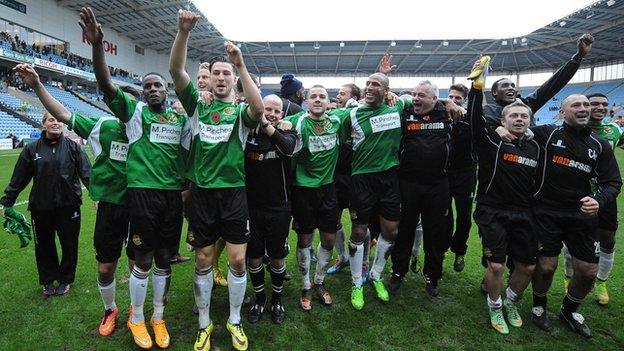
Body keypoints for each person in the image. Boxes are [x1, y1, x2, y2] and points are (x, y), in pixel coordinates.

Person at [81, 7, 189, 349]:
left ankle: (158, 316)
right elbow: (105, 83)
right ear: (141, 93)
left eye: (158, 85)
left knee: (163, 259)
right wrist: (97, 46)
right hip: (142, 195)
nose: (152, 89)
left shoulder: (181, 120)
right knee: (141, 259)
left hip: (172, 196)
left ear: (167, 91)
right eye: (147, 86)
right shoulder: (134, 114)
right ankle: (136, 317)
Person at [12, 62, 137, 337]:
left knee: (137, 262)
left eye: (133, 102)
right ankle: (110, 309)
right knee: (106, 267)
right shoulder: (101, 126)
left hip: (141, 204)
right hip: (110, 206)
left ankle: (136, 312)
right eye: (122, 101)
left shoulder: (148, 129)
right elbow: (63, 112)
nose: (128, 106)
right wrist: (36, 86)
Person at [170, 10, 263, 351]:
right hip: (203, 195)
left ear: (233, 81)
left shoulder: (239, 113)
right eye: (216, 73)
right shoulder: (197, 107)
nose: (221, 77)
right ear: (207, 81)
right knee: (204, 259)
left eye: (227, 74)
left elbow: (258, 108)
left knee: (237, 260)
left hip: (234, 194)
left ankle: (234, 320)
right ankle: (204, 323)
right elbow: (176, 71)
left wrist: (240, 64)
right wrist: (183, 32)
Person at [514, 94, 621, 338]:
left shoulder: (600, 145)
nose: (584, 108)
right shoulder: (547, 134)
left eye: (586, 105)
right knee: (547, 266)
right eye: (576, 105)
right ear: (563, 113)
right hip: (545, 211)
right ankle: (539, 307)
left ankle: (569, 311)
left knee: (587, 271)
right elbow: (517, 125)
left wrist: (599, 200)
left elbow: (613, 182)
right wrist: (501, 128)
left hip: (581, 215)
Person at [467, 63, 541, 334]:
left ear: (530, 121)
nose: (519, 119)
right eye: (514, 116)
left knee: (528, 265)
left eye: (524, 116)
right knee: (496, 264)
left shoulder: (536, 146)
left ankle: (511, 302)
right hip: (492, 210)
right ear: (503, 121)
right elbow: (474, 119)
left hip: (524, 212)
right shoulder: (490, 142)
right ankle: (495, 307)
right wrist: (477, 88)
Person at [0, 110, 90, 297]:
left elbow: (87, 175)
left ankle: (65, 280)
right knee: (44, 246)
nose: (55, 123)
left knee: (69, 245)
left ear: (63, 124)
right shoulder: (31, 149)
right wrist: (7, 201)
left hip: (69, 206)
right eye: (51, 120)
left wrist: (99, 196)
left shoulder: (74, 148)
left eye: (58, 120)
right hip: (41, 208)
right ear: (44, 124)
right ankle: (48, 281)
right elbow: (19, 178)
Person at [389, 80, 454, 297]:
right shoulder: (405, 113)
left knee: (435, 232)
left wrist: (452, 103)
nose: (416, 98)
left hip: (438, 184)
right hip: (407, 183)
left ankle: (432, 275)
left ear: (434, 99)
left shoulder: (448, 114)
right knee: (404, 230)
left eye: (422, 95)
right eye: (415, 94)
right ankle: (398, 272)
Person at [562, 93, 624, 306]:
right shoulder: (572, 128)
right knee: (572, 237)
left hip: (605, 194)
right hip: (577, 193)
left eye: (604, 104)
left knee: (608, 238)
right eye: (594, 103)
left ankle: (601, 283)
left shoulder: (614, 130)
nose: (599, 107)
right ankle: (568, 278)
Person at [285, 85, 344, 311]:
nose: (318, 100)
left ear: (328, 102)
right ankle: (305, 285)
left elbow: (367, 106)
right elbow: (269, 113)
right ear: (306, 101)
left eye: (322, 96)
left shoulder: (338, 120)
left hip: (328, 189)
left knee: (328, 239)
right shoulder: (297, 121)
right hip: (303, 190)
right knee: (305, 241)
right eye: (313, 96)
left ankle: (319, 281)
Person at [246, 94, 296, 325]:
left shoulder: (288, 133)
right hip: (251, 207)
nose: (272, 114)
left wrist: (266, 125)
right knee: (254, 257)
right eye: (267, 110)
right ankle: (259, 298)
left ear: (282, 115)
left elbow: (287, 149)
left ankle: (277, 300)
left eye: (277, 111)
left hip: (279, 207)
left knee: (277, 257)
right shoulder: (247, 133)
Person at [483, 34, 594, 129]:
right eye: (505, 85)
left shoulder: (527, 104)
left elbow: (554, 83)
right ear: (494, 92)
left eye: (513, 85)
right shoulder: (488, 110)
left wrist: (578, 57)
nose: (511, 88)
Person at [445, 83, 475, 272]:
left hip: (466, 174)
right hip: (444, 173)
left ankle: (459, 251)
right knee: (443, 215)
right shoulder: (441, 112)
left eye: (458, 98)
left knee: (464, 217)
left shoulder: (471, 118)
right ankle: (443, 247)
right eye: (451, 97)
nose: (454, 100)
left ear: (464, 100)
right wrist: (447, 102)